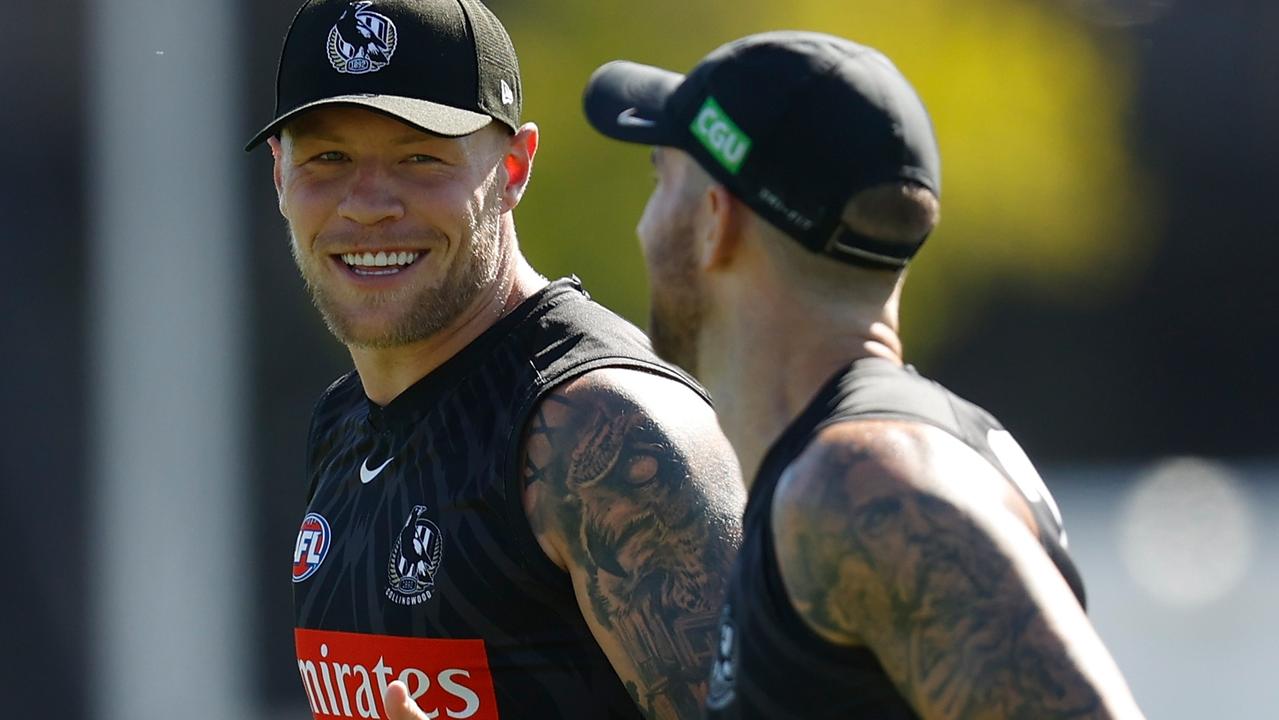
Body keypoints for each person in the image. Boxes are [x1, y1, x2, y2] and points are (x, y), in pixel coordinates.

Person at [583, 31, 1146, 719]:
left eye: (659, 179)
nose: (645, 223)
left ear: (712, 222)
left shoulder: (862, 484)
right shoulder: (845, 471)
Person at [245, 1, 745, 718]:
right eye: (328, 158)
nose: (367, 204)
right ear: (280, 176)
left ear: (513, 169)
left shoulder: (604, 434)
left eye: (419, 156)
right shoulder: (345, 422)